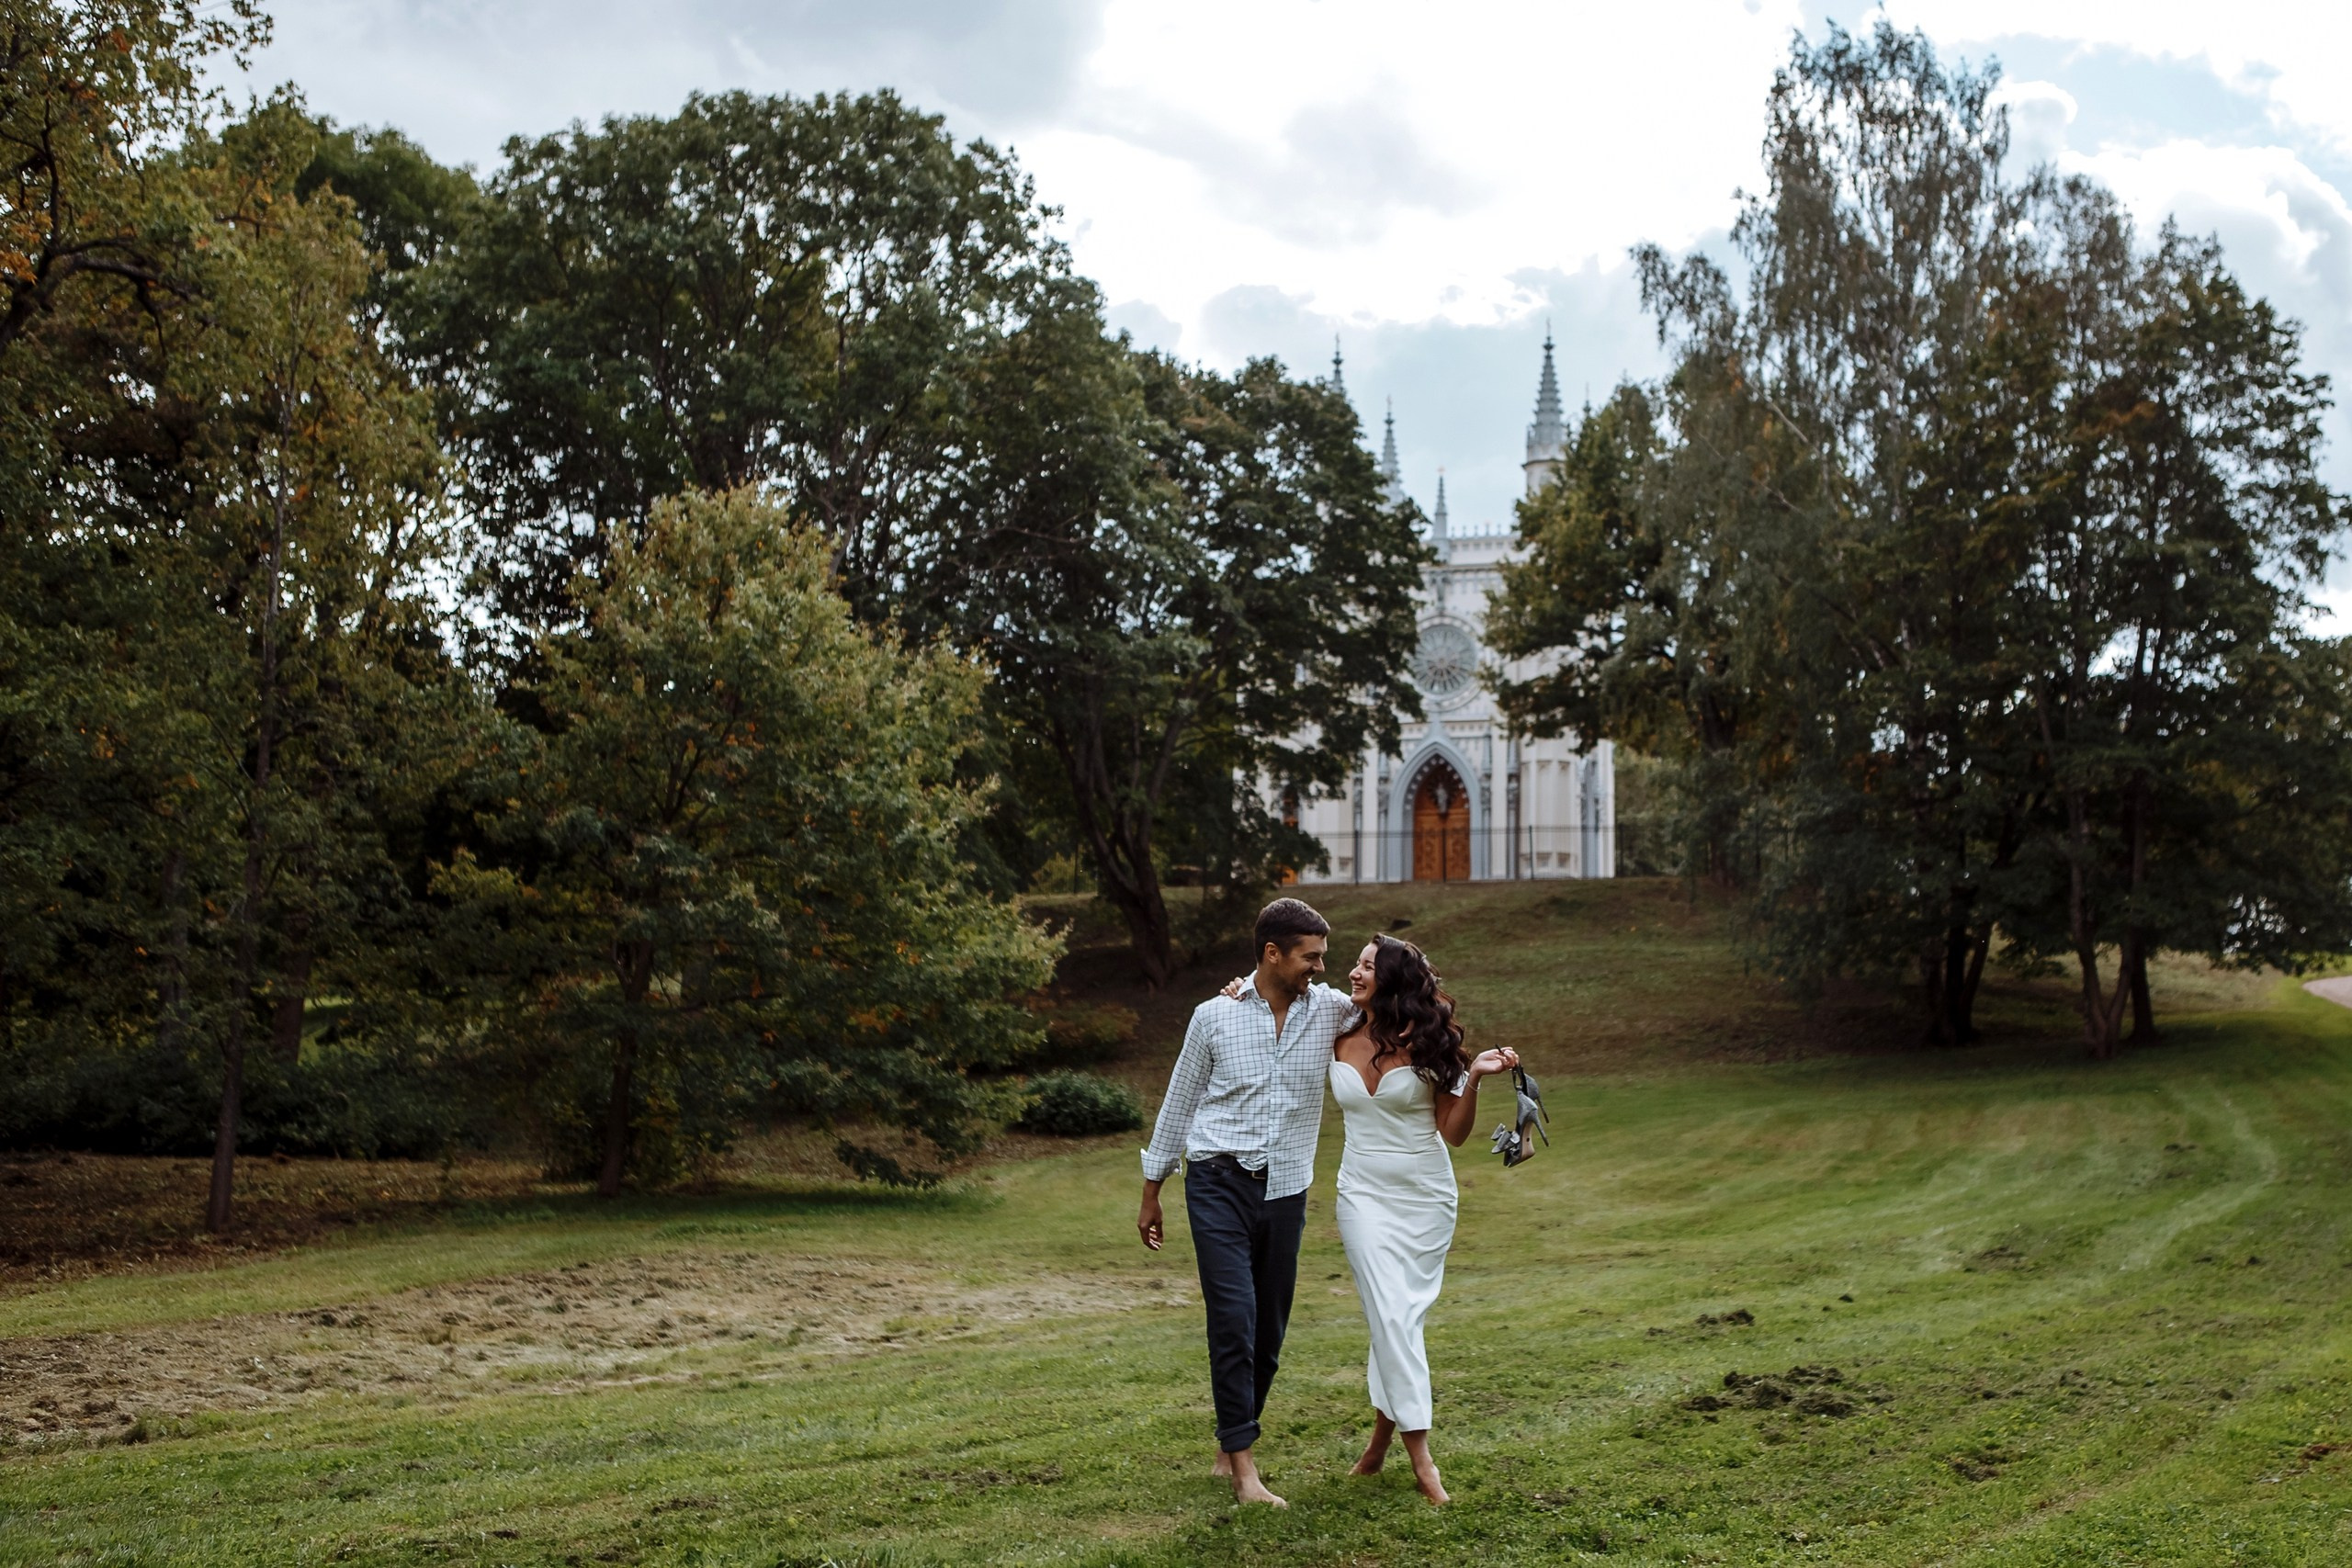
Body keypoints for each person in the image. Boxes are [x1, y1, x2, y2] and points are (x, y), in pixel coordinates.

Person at [1226, 932, 1516, 1506]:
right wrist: (1240, 992)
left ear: (1393, 978)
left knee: (1399, 1317)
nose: (1352, 973)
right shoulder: (1333, 1027)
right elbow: (1274, 998)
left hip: (1425, 1196)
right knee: (1391, 1313)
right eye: (1353, 964)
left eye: (1365, 965)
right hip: (1362, 1195)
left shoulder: (1431, 1042)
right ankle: (1422, 1456)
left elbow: (1452, 1134)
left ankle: (1380, 1444)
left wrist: (1475, 1076)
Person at [1137, 897, 1353, 1508]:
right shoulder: (1213, 1015)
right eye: (1310, 956)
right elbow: (1179, 1102)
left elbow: (1396, 998)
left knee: (1270, 1333)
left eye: (1324, 957)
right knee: (1233, 1318)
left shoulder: (1332, 1011)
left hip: (1286, 1188)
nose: (1319, 966)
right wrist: (1153, 1189)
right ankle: (1245, 1469)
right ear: (1272, 953)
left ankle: (1229, 1440)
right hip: (1216, 1181)